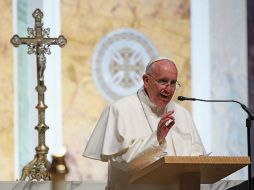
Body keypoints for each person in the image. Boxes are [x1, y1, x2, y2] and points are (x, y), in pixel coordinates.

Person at [83, 57, 206, 190]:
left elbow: (196, 159)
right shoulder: (120, 110)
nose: (169, 89)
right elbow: (121, 162)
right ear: (146, 81)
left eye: (173, 83)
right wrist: (156, 139)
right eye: (163, 81)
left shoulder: (183, 114)